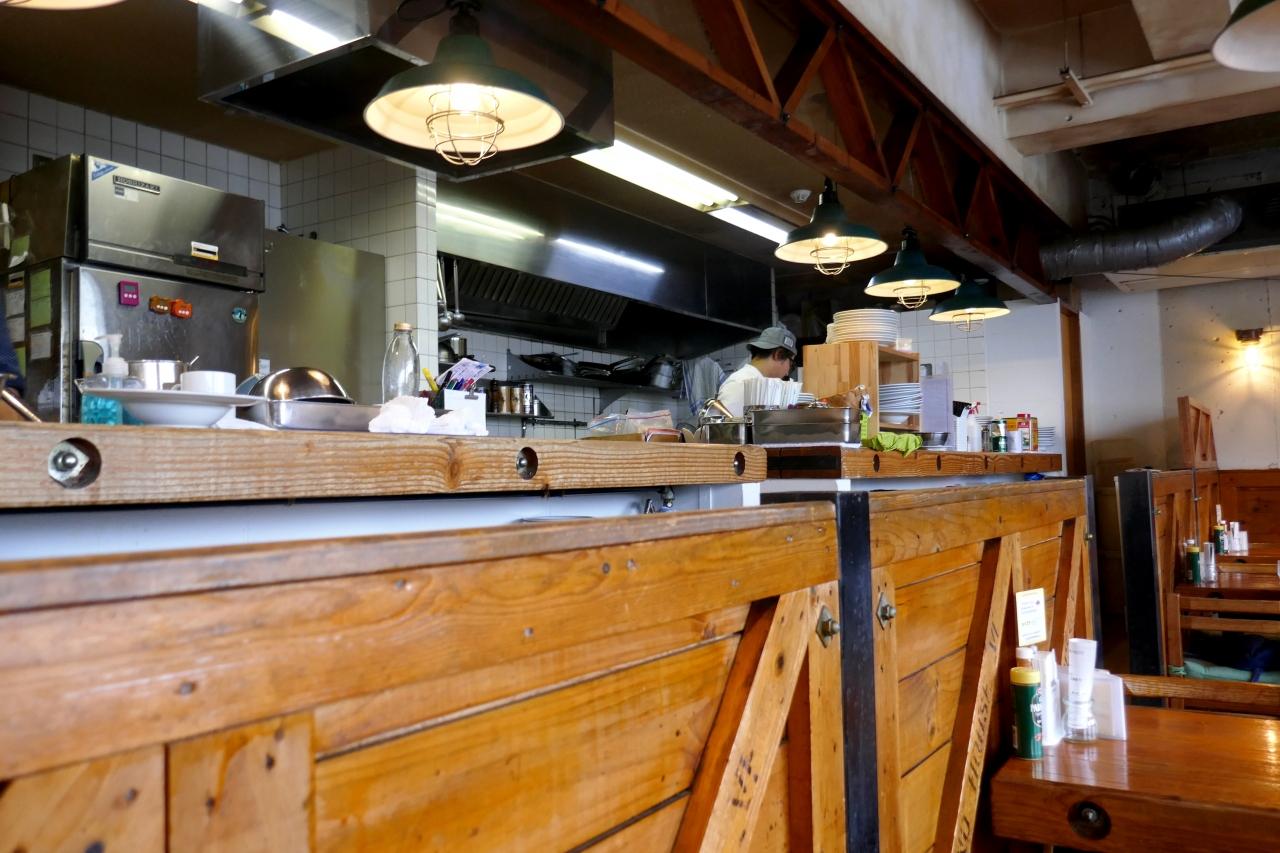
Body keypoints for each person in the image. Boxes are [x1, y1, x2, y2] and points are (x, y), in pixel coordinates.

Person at [716, 325, 797, 417]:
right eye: (791, 363)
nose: (787, 372)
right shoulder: (740, 384)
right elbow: (727, 425)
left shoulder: (759, 382)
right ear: (778, 354)